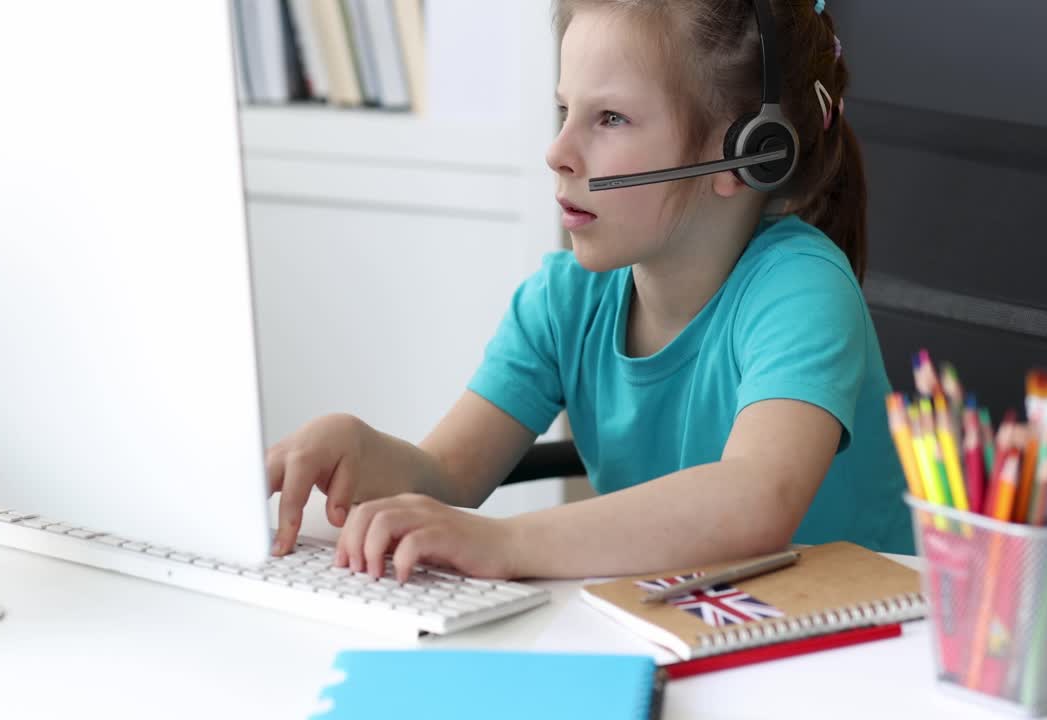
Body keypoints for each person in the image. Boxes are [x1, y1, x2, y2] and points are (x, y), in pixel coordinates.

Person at [266, 0, 912, 584]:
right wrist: (355, 448)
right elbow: (448, 476)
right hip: (686, 618)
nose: (558, 151)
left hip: (860, 644)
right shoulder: (560, 301)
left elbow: (756, 499)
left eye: (610, 118)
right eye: (563, 111)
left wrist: (505, 543)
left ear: (744, 154)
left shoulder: (800, 289)